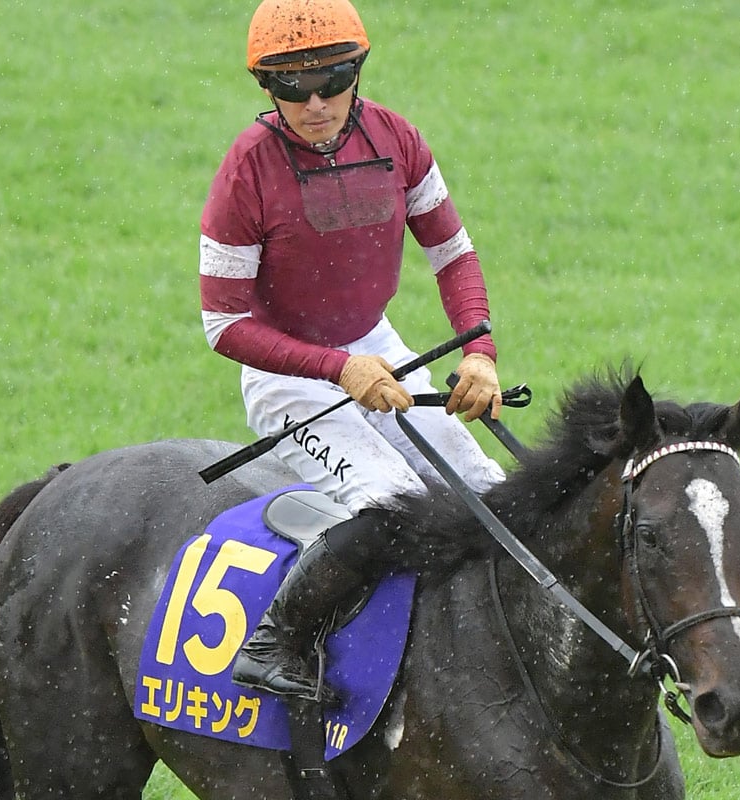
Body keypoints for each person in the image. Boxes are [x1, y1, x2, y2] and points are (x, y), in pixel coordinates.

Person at [199, 0, 505, 702]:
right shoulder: (246, 169)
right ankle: (276, 643)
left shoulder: (398, 138)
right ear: (266, 90)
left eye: (332, 81)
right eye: (291, 89)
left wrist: (480, 353)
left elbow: (452, 254)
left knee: (484, 487)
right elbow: (222, 325)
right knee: (388, 502)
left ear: (357, 71)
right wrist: (339, 368)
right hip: (287, 375)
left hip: (377, 347)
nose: (315, 104)